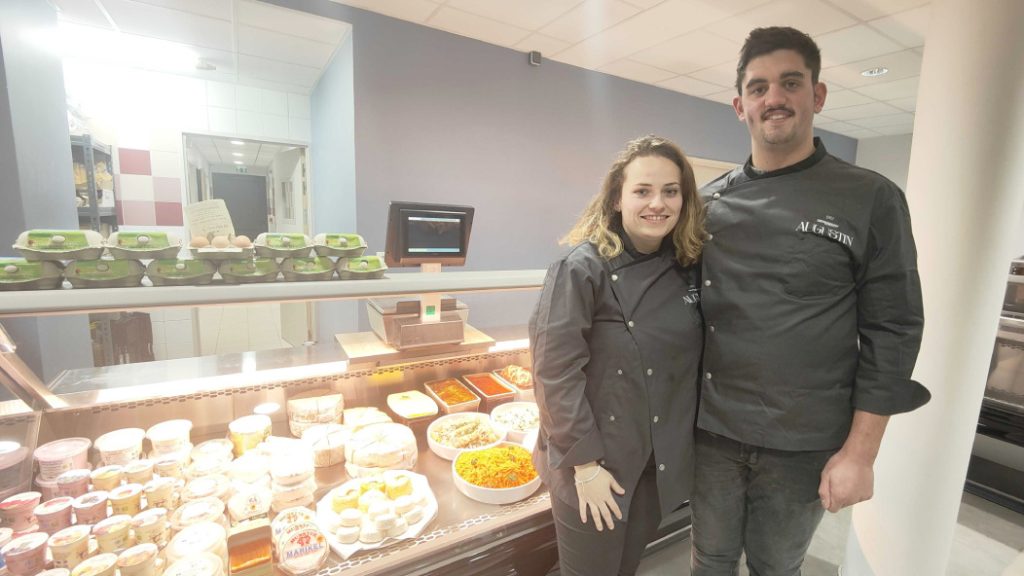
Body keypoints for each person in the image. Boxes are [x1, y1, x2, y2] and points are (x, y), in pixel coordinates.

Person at [690, 27, 932, 576]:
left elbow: (894, 331)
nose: (773, 98)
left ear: (817, 96)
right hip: (712, 435)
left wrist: (860, 453)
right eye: (758, 87)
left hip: (803, 444)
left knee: (777, 567)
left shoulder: (870, 197)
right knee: (709, 561)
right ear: (739, 106)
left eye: (790, 83)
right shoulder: (707, 205)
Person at [530, 135, 705, 576]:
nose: (657, 204)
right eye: (642, 191)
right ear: (616, 197)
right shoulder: (580, 268)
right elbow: (554, 372)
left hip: (652, 468)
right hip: (593, 468)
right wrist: (585, 466)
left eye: (670, 191)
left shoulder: (685, 267)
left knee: (623, 568)